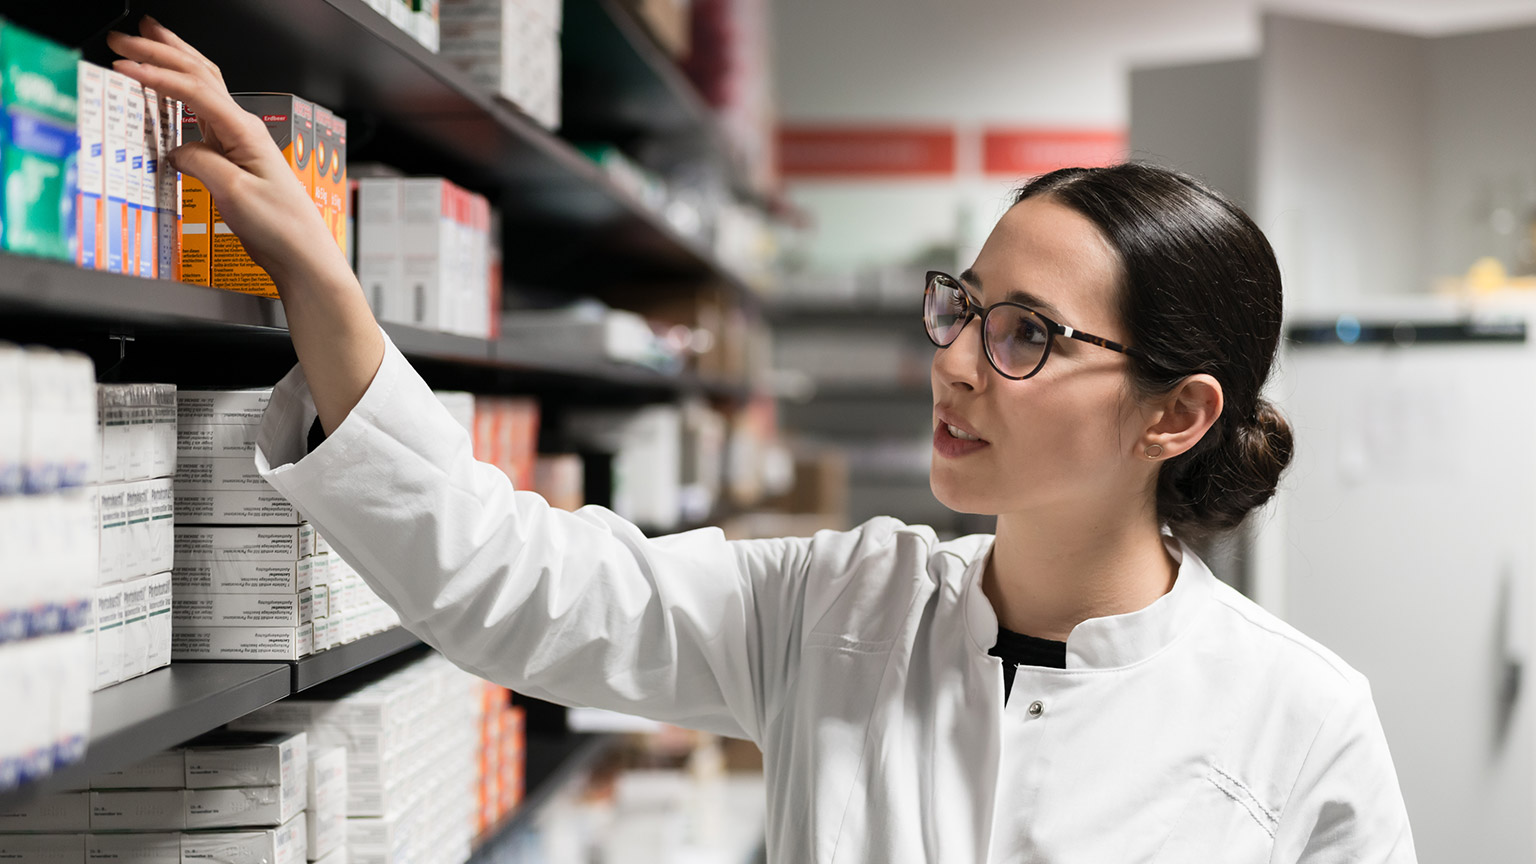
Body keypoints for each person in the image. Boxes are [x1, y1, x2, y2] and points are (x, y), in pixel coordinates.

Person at [109, 16, 1416, 862]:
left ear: (1174, 414)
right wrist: (325, 286)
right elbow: (511, 582)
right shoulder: (842, 605)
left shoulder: (1300, 720)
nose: (954, 359)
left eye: (1026, 335)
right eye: (962, 308)